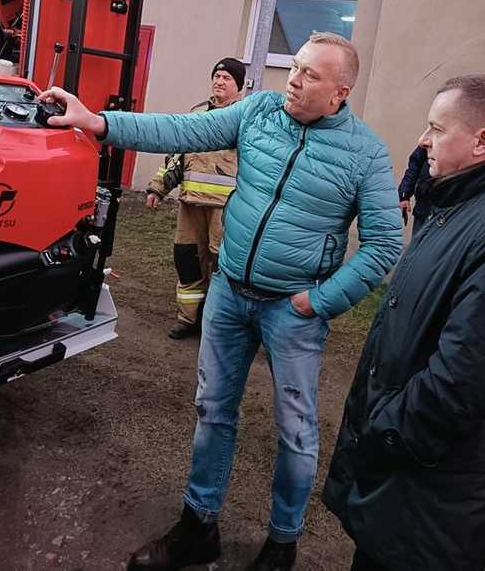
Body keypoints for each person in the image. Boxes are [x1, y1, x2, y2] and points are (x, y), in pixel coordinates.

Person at [39, 32, 403, 571]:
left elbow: (384, 244)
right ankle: (197, 527)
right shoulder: (258, 111)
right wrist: (100, 122)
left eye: (309, 75)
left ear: (340, 93)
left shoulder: (366, 154)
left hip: (293, 311)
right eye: (294, 68)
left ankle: (282, 542)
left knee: (296, 429)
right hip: (230, 293)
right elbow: (182, 129)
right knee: (213, 412)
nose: (294, 81)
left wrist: (322, 301)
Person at [322, 73, 485, 571]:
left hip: (431, 497)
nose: (423, 140)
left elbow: (466, 383)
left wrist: (380, 435)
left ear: (482, 141)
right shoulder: (451, 207)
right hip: (404, 485)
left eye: (436, 127)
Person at [145, 58, 245, 339]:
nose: (219, 81)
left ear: (239, 86)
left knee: (221, 266)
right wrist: (158, 187)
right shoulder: (197, 112)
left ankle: (217, 324)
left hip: (226, 210)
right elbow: (178, 154)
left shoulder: (245, 117)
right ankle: (187, 319)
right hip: (190, 206)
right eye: (217, 75)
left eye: (227, 78)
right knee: (187, 261)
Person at [397, 145, 431, 234]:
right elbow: (414, 168)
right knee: (418, 243)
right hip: (423, 207)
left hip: (449, 209)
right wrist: (404, 196)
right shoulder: (430, 138)